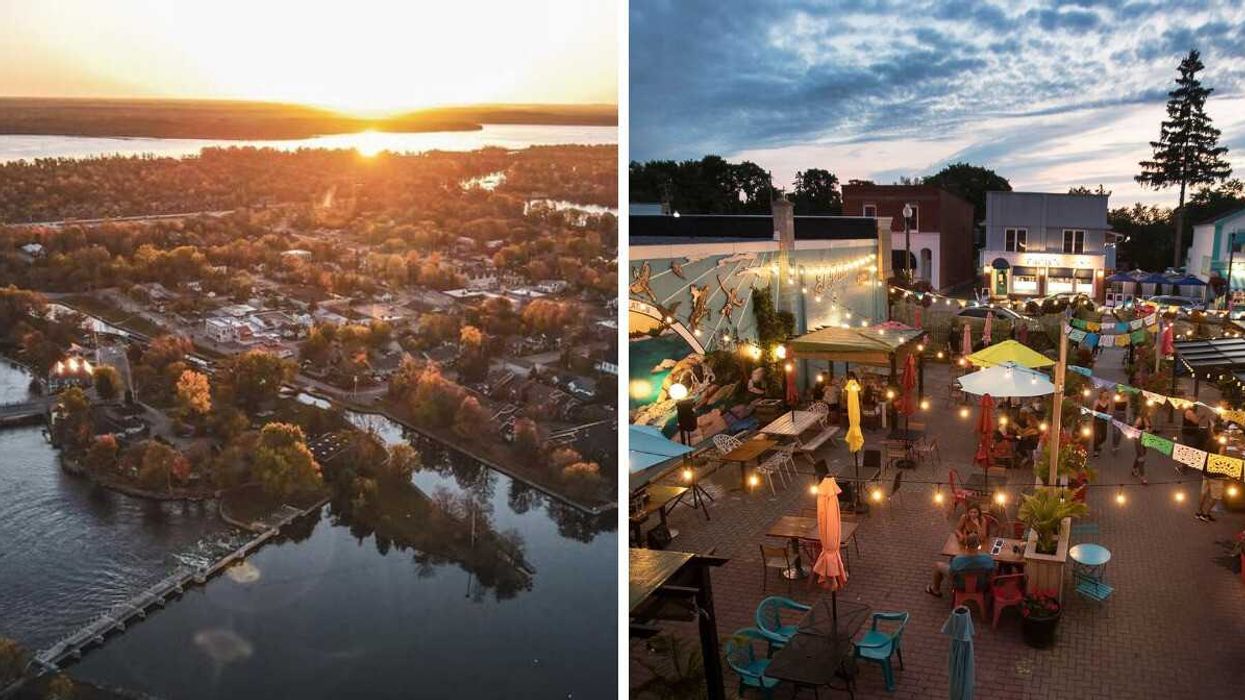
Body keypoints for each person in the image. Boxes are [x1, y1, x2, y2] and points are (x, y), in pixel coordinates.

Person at [926, 532, 995, 597]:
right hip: (981, 586)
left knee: (937, 565)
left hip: (960, 586)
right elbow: (991, 574)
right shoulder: (987, 559)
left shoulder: (958, 560)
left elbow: (952, 575)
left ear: (966, 545)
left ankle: (935, 590)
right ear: (978, 545)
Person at [1131, 409, 1152, 485]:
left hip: (1146, 439)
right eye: (1149, 411)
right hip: (1139, 439)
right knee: (1141, 457)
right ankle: (1143, 478)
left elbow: (1150, 429)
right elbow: (1133, 429)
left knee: (1140, 455)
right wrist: (1142, 431)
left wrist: (1148, 430)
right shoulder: (1140, 419)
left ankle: (1134, 469)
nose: (1150, 412)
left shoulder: (1149, 419)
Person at [1091, 390, 1110, 457]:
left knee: (1104, 437)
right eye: (1104, 394)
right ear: (1101, 394)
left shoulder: (1108, 402)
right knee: (1096, 436)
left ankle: (1098, 444)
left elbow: (1108, 411)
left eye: (1106, 394)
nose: (1105, 395)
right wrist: (1092, 421)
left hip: (1104, 421)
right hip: (1097, 421)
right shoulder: (1096, 402)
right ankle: (1095, 451)